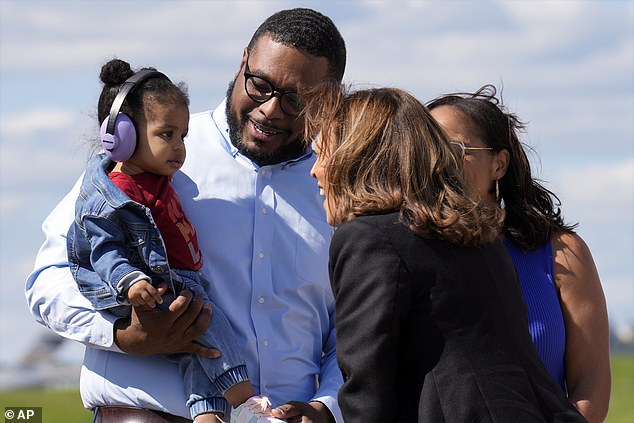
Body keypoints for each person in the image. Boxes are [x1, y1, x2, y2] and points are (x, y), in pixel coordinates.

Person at [26, 8, 346, 423]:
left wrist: (327, 407)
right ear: (243, 59)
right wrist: (124, 334)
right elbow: (48, 281)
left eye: (296, 99)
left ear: (330, 100)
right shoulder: (148, 152)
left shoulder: (343, 186)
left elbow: (353, 329)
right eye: (260, 85)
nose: (270, 110)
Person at [304, 83, 588, 422]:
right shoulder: (474, 232)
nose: (315, 170)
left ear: (357, 158)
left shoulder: (369, 239)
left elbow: (368, 394)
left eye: (323, 154)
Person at [67, 58, 285, 423]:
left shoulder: (157, 179)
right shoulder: (112, 195)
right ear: (121, 136)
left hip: (176, 283)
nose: (179, 147)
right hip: (146, 288)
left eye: (182, 136)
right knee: (212, 326)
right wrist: (131, 281)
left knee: (195, 347)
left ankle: (207, 417)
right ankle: (248, 405)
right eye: (166, 135)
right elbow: (103, 249)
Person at [427, 85, 611, 423]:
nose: (438, 161)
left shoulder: (562, 254)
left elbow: (591, 386)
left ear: (499, 164)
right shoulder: (410, 252)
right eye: (427, 149)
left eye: (454, 149)